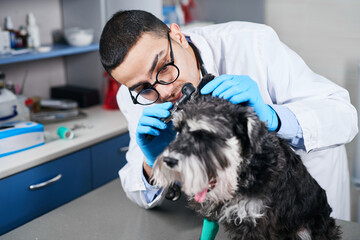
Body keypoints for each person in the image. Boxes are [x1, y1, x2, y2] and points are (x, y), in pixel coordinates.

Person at [99, 10, 358, 220]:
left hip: (303, 197)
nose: (165, 90)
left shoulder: (252, 42)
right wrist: (152, 162)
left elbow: (344, 115)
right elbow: (137, 189)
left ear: (177, 35)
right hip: (237, 214)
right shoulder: (132, 99)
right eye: (144, 88)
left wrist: (273, 118)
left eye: (164, 66)